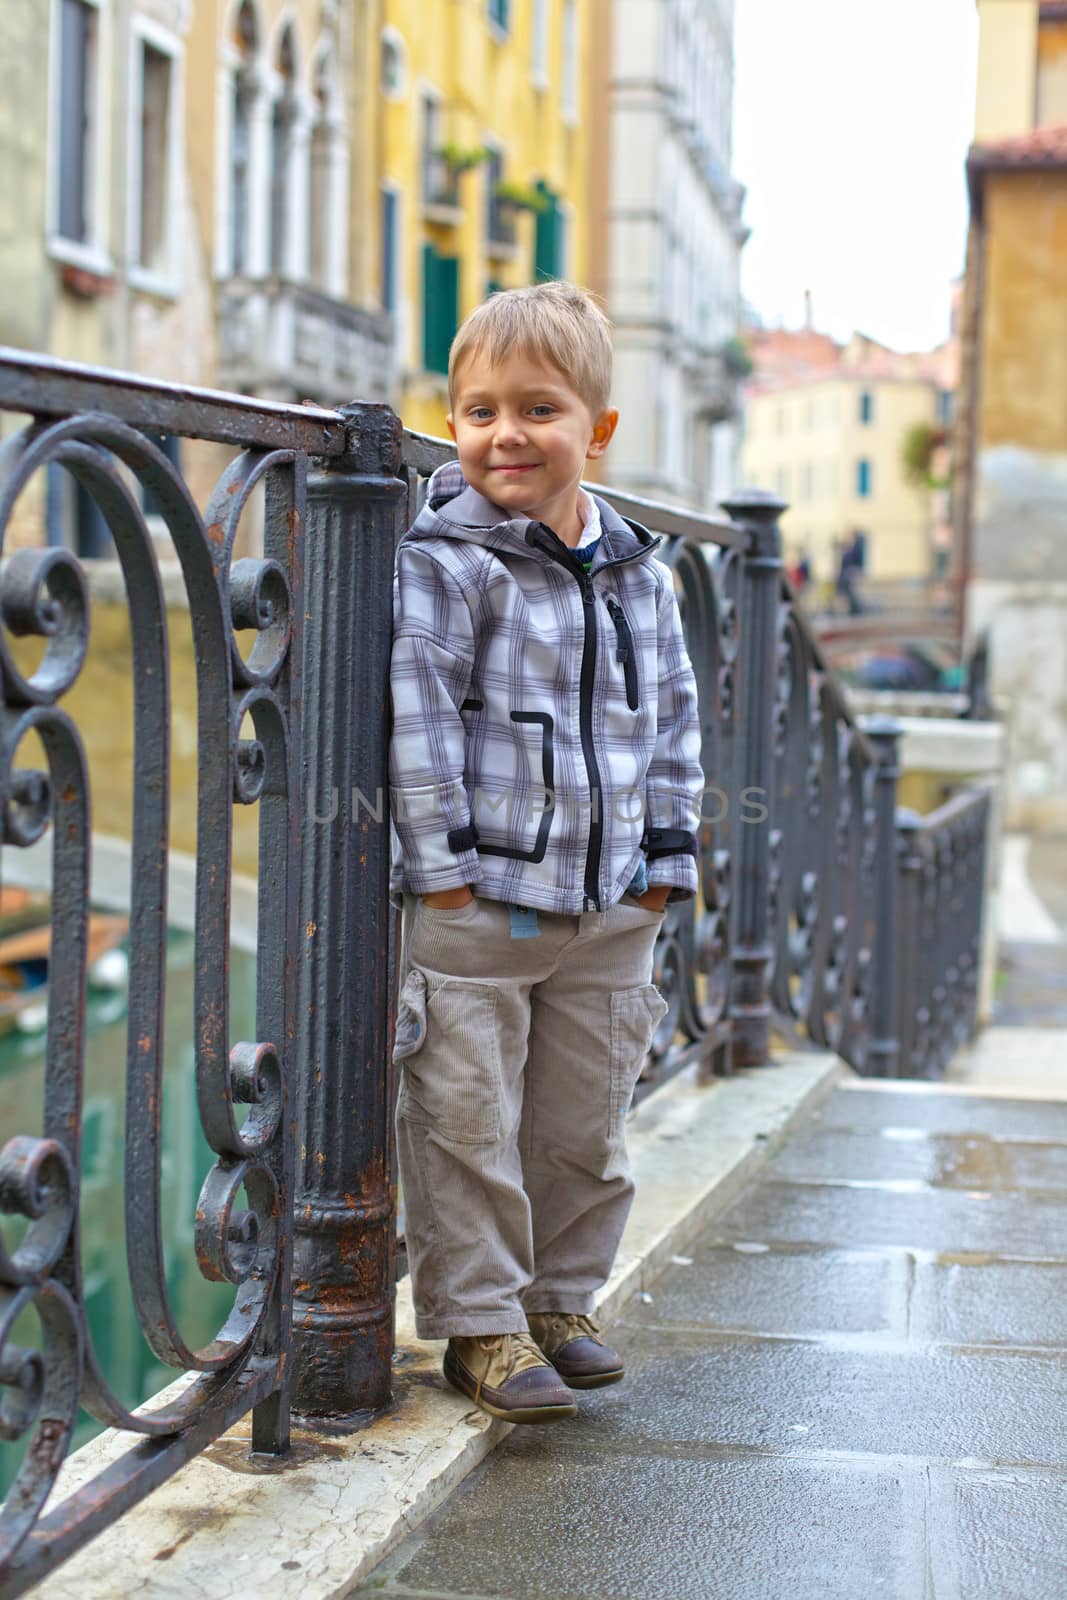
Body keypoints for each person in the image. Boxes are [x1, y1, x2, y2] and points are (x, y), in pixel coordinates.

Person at [388, 281, 705, 1425]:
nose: (503, 435)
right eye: (477, 412)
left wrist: (666, 862)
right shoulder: (445, 560)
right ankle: (481, 1324)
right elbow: (416, 722)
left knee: (583, 1119)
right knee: (465, 1118)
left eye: (537, 409)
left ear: (596, 430)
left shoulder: (642, 576)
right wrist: (443, 871)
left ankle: (561, 1300)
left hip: (613, 899)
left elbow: (671, 725)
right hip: (483, 899)